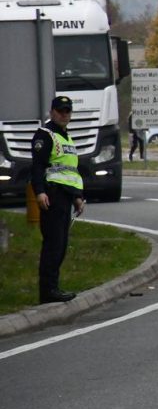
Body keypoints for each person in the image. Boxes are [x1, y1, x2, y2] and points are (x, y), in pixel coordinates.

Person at [30, 95, 85, 304]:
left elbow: (70, 171)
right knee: (53, 246)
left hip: (65, 197)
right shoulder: (45, 135)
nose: (64, 115)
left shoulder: (66, 138)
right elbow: (38, 166)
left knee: (61, 246)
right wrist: (39, 192)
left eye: (67, 111)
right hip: (51, 196)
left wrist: (77, 197)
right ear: (52, 112)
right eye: (60, 111)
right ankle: (47, 291)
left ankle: (53, 287)